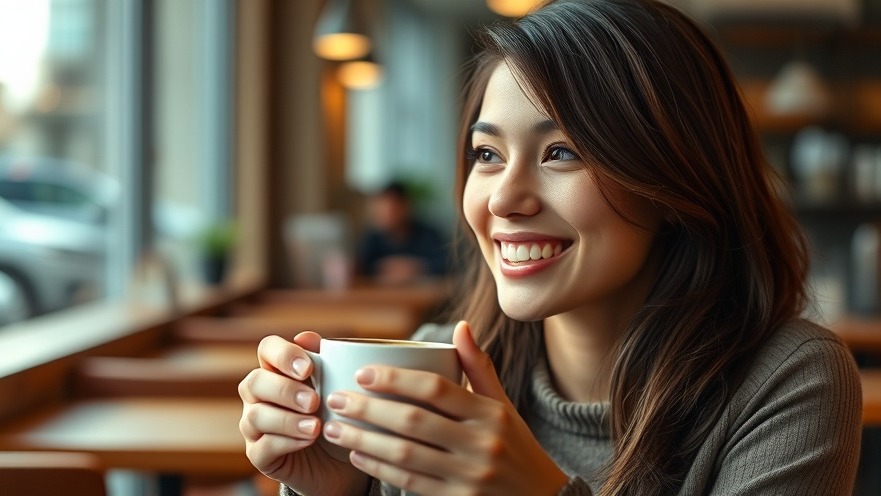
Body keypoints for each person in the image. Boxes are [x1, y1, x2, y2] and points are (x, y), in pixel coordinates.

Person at [238, 1, 863, 494]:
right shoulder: (433, 367)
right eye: (487, 155)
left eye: (562, 152)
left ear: (673, 178)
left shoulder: (787, 382)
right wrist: (339, 491)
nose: (505, 199)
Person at [355, 181, 450, 286]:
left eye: (391, 210)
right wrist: (385, 268)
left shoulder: (428, 234)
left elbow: (446, 264)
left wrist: (416, 267)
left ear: (405, 207)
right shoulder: (372, 237)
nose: (385, 215)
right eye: (380, 210)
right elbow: (362, 268)